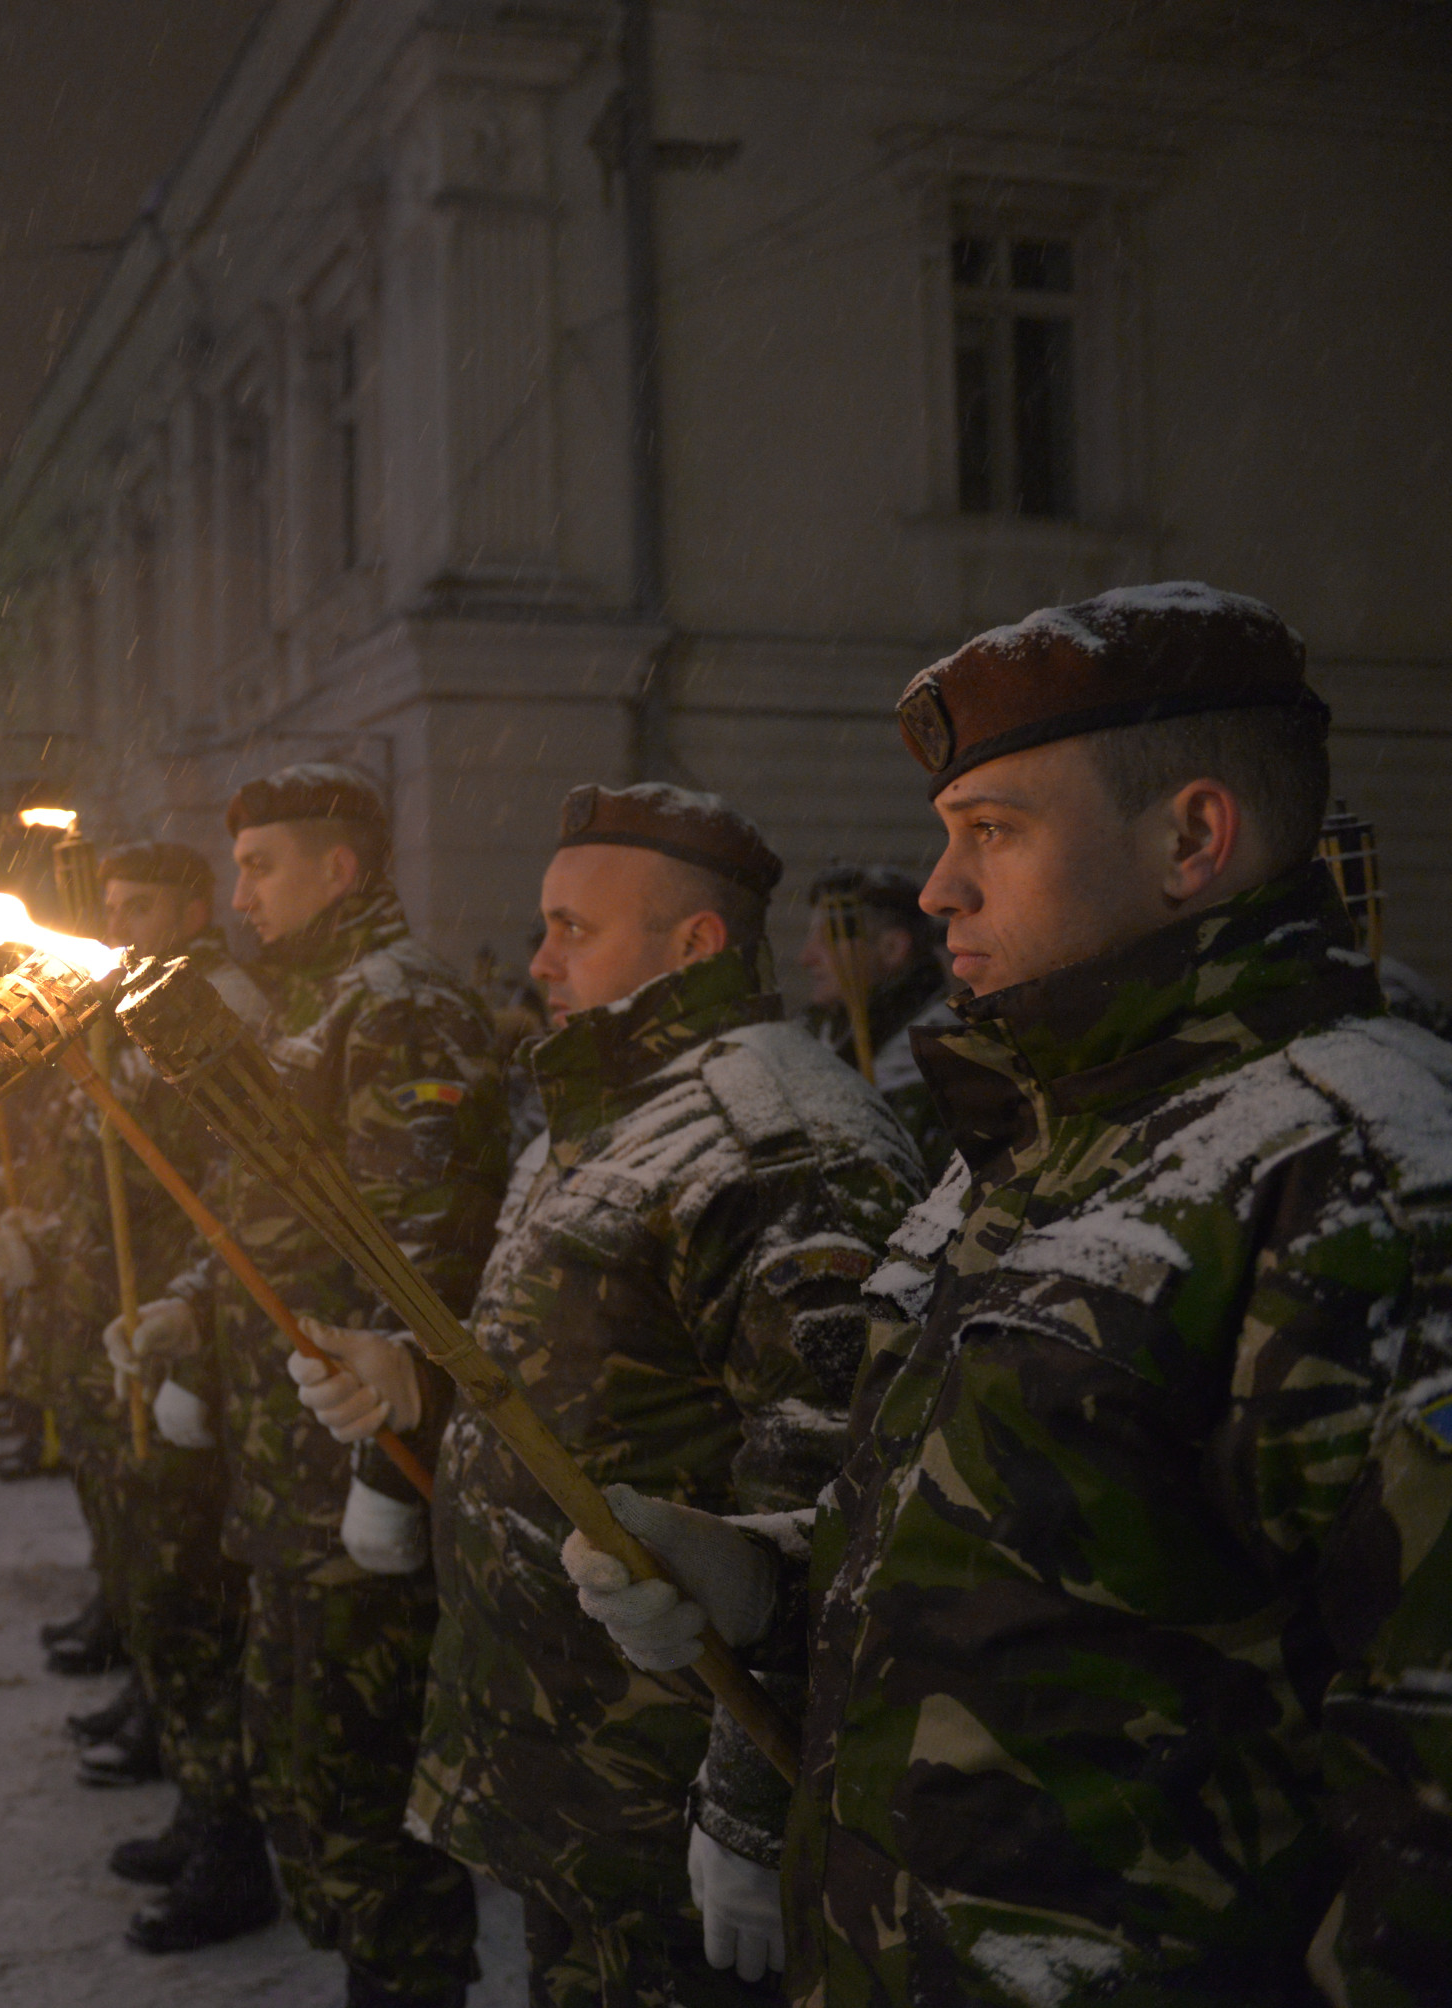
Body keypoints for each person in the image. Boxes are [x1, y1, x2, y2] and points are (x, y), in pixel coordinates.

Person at [557, 584, 1452, 2003]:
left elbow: (1428, 1816)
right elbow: (1015, 1580)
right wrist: (761, 1581)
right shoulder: (1034, 1144)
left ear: (1192, 840)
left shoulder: (1357, 1178)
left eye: (996, 833)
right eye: (946, 834)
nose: (938, 889)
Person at [322, 783, 919, 2006]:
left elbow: (838, 1501)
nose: (538, 957)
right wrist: (420, 1402)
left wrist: (750, 1812)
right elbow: (590, 1396)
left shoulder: (773, 1145)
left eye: (571, 929)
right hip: (575, 1766)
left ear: (692, 944)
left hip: (668, 1791)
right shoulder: (604, 1115)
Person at [116, 765, 510, 2008]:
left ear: (340, 869)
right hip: (283, 1461)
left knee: (367, 1807)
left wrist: (382, 1469)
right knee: (301, 1780)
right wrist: (188, 1304)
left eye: (261, 866)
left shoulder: (400, 1006)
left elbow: (424, 1243)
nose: (237, 894)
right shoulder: (309, 1003)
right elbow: (264, 1210)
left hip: (356, 1469)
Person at [0, 839, 277, 1947]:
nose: (122, 922)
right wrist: (36, 1237)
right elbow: (84, 1166)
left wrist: (192, 1335)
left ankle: (227, 1838)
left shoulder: (206, 1008)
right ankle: (184, 1773)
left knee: (186, 1592)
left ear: (192, 906)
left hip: (169, 1331)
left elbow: (231, 1184)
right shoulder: (118, 999)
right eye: (110, 905)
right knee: (140, 1571)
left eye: (140, 904)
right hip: (107, 1323)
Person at [794, 862, 957, 1174]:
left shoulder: (946, 1066)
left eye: (829, 937)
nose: (806, 957)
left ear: (892, 948)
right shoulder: (810, 1040)